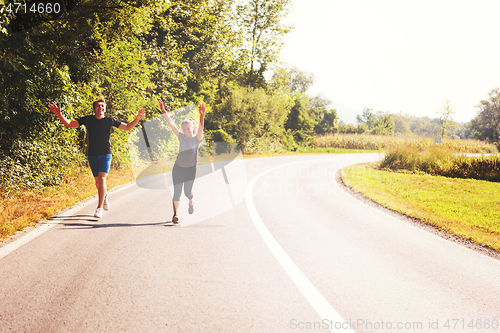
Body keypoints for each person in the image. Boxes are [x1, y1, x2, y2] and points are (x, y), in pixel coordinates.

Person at [48, 99, 145, 218]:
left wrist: (137, 119)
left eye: (102, 106)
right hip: (92, 154)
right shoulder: (88, 120)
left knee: (102, 179)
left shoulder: (110, 120)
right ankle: (104, 195)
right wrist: (59, 114)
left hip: (105, 154)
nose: (100, 108)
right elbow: (69, 124)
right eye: (98, 106)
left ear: (105, 108)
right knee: (97, 181)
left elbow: (127, 127)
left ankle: (99, 208)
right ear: (94, 109)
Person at [159, 99, 205, 224]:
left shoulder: (197, 139)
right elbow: (171, 124)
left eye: (188, 129)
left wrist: (202, 116)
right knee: (177, 192)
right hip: (178, 167)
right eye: (184, 129)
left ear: (192, 128)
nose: (185, 131)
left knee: (187, 192)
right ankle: (175, 215)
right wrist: (164, 111)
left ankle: (191, 201)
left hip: (190, 169)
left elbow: (201, 127)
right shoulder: (181, 137)